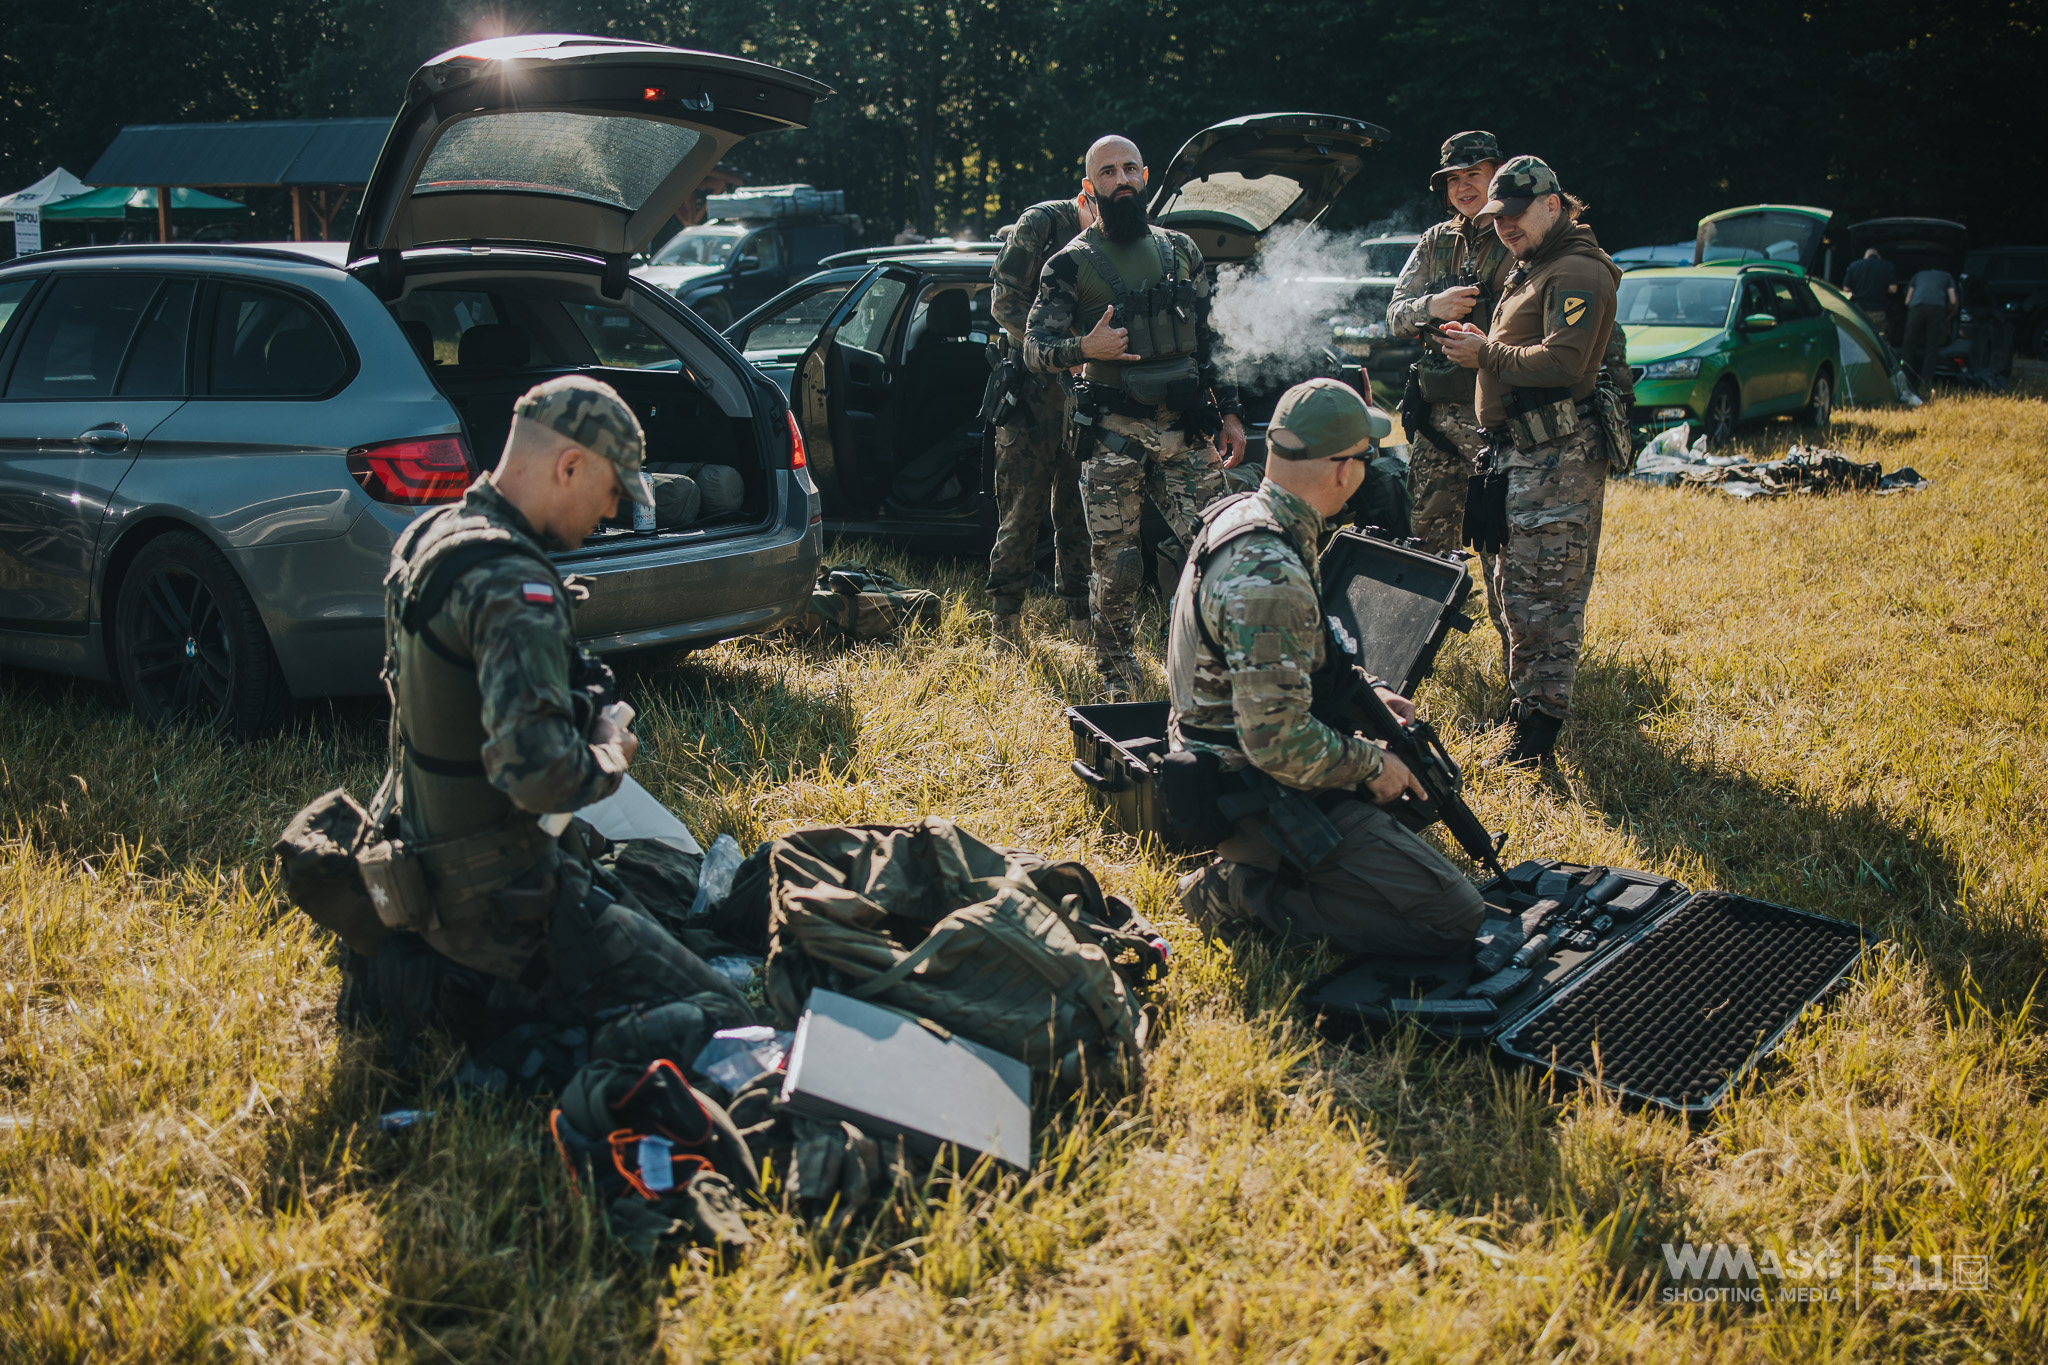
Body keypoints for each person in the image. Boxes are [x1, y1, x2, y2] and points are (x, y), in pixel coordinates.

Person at [360, 375, 751, 1053]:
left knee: (651, 903)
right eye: (609, 492)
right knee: (722, 1010)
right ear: (568, 465)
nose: (609, 515)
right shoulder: (515, 584)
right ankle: (525, 1049)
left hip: (414, 871)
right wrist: (608, 750)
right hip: (499, 905)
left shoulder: (432, 535)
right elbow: (540, 778)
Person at [1168, 378, 1486, 956]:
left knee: (1413, 803)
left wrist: (1366, 693)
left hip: (1234, 760)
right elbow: (1276, 743)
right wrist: (1372, 765)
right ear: (1342, 470)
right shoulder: (1270, 572)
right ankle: (1236, 892)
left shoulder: (1256, 515)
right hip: (1248, 789)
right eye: (1365, 457)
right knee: (1451, 916)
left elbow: (1295, 657)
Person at [1026, 134, 1246, 700]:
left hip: (1185, 429)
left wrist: (1233, 414)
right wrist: (1085, 349)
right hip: (1111, 437)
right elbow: (1033, 347)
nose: (1120, 180)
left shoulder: (1182, 250)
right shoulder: (1069, 263)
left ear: (1145, 176)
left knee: (1222, 545)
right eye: (1107, 172)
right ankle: (1116, 674)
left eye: (1128, 169)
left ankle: (1222, 662)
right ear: (1089, 187)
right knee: (1118, 567)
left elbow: (1209, 338)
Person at [1438, 156, 1621, 769]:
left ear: (1553, 204)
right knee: (1510, 589)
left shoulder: (1577, 271)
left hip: (1556, 457)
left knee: (1546, 594)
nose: (1505, 226)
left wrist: (1483, 352)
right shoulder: (1532, 267)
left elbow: (1565, 364)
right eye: (1498, 216)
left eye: (1516, 214)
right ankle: (1522, 707)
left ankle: (1540, 728)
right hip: (1518, 451)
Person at [1386, 128, 1516, 667]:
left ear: (1497, 176)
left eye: (1475, 176)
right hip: (1439, 424)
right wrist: (1432, 306)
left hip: (1499, 418)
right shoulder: (1437, 240)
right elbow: (1395, 315)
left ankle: (1519, 661)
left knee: (1503, 549)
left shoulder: (1519, 235)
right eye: (1455, 180)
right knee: (1428, 546)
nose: (1464, 188)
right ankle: (1415, 661)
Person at [986, 190, 1096, 644]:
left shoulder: (1112, 235)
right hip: (1031, 393)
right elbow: (1004, 305)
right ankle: (1005, 626)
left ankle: (1081, 621)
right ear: (1085, 193)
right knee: (1020, 511)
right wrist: (1062, 352)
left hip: (1083, 393)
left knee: (1079, 513)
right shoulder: (1041, 224)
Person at [1903, 263, 1959, 397]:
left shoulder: (1917, 276)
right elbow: (1953, 299)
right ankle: (1925, 381)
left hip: (1916, 308)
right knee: (1932, 347)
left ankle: (1906, 378)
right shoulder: (1946, 276)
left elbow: (1907, 301)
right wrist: (1948, 314)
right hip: (1937, 309)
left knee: (1909, 344)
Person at [1842, 247, 1897, 336]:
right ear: (1879, 257)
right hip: (1878, 309)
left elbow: (1846, 289)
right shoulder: (1888, 266)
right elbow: (1893, 289)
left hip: (1859, 308)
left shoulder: (1854, 265)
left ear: (1865, 256)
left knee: (1859, 335)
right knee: (1879, 336)